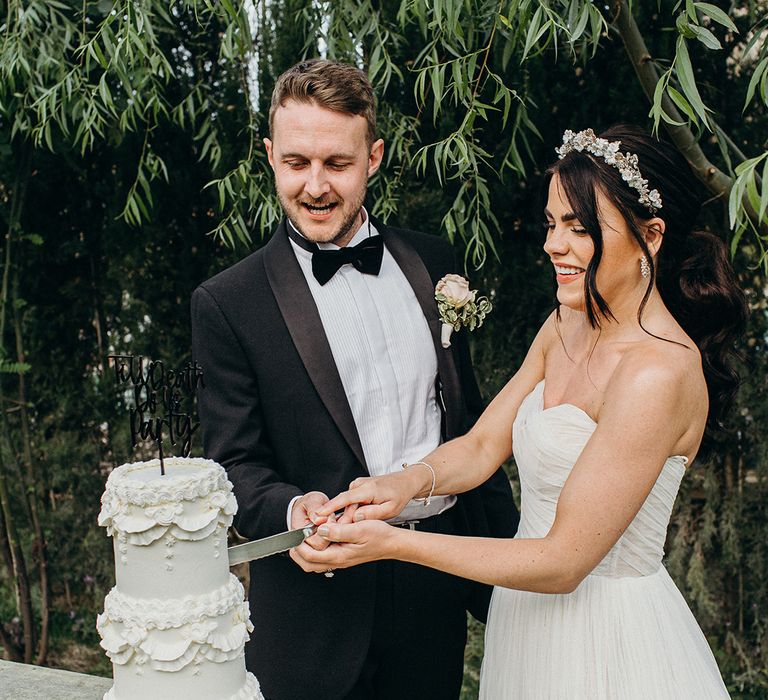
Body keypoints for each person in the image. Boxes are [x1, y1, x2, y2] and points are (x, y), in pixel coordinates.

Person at [295, 125, 747, 698]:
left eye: (579, 228)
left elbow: (562, 562)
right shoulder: (567, 321)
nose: (553, 245)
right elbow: (485, 445)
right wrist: (401, 485)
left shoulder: (657, 373)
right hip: (527, 621)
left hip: (606, 639)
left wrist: (392, 542)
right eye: (552, 223)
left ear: (650, 236)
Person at [190, 58, 518, 700]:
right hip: (316, 610)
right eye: (295, 163)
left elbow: (472, 428)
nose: (314, 186)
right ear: (269, 156)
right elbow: (234, 463)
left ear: (374, 157)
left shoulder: (435, 263)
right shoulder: (229, 303)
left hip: (436, 585)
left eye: (336, 164)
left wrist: (510, 564)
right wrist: (290, 507)